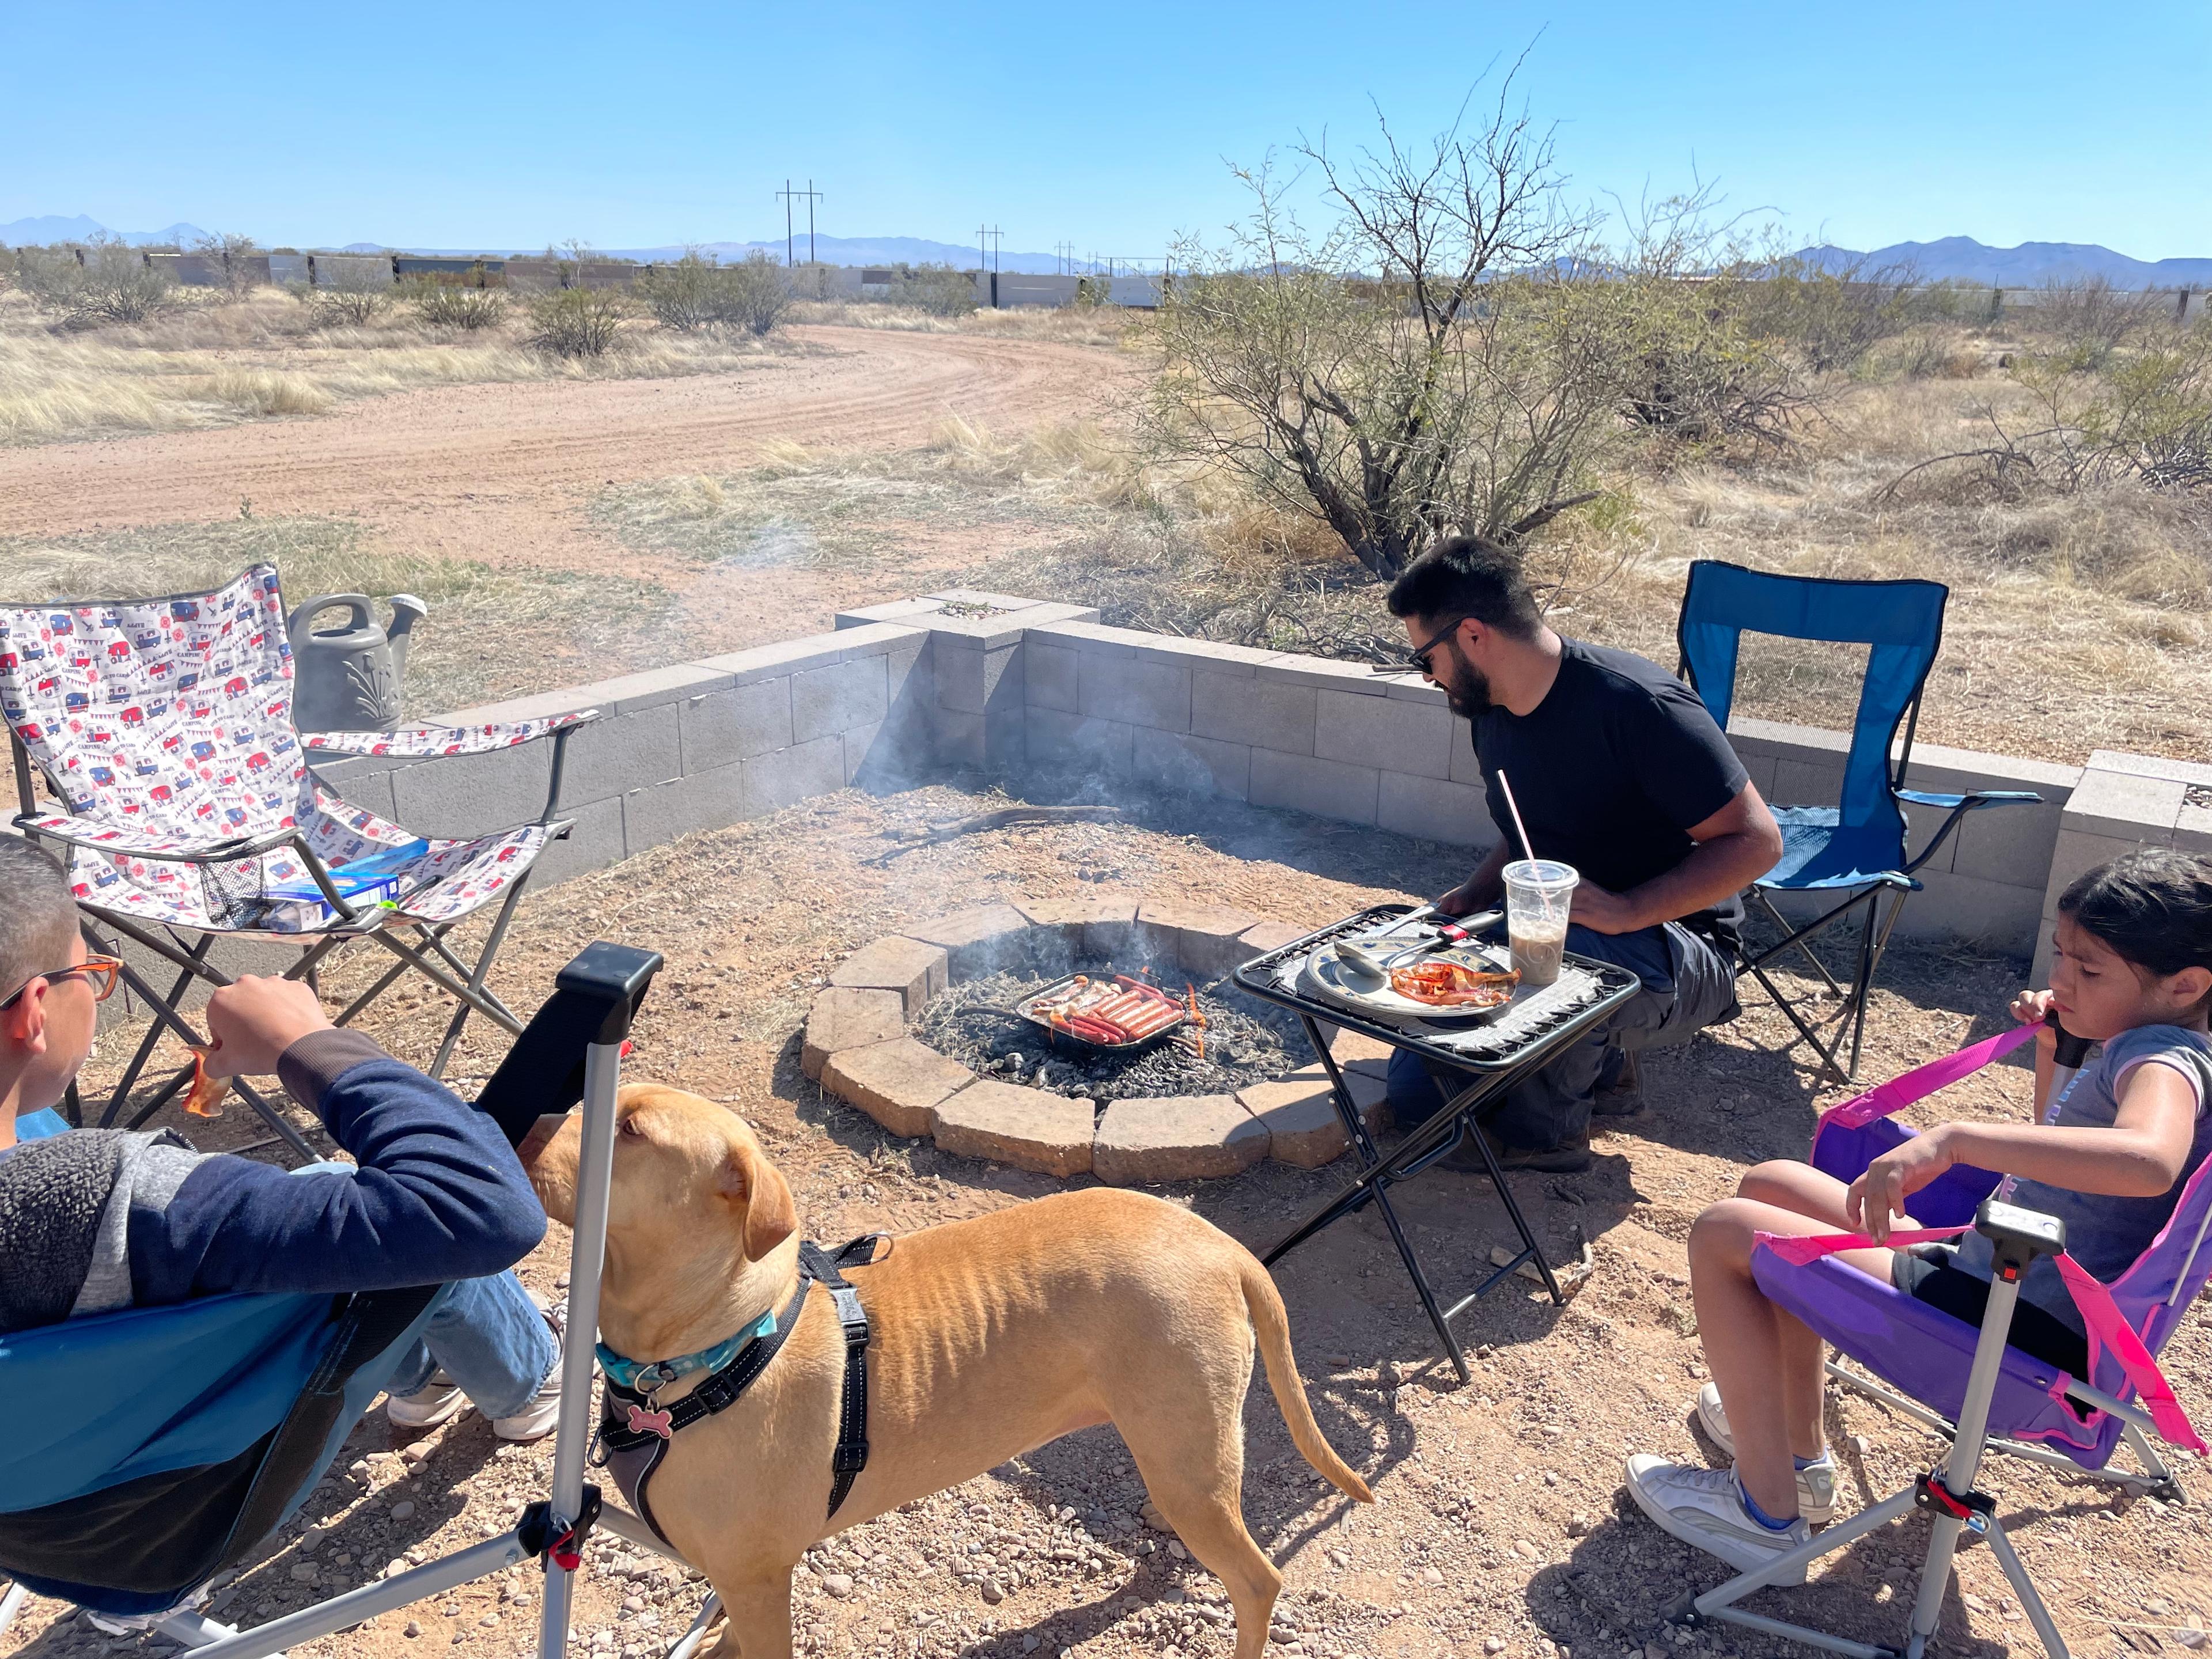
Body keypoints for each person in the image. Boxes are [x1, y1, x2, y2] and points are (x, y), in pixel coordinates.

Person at [1623, 850, 2212, 1578]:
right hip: (1999, 1280)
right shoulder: (2148, 1045)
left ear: (2184, 985)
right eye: (2061, 955)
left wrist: (1955, 1139)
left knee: (1725, 1233)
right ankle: (1799, 1454)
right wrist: (2060, 1054)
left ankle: (1763, 1513)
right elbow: (2065, 1169)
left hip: (2006, 1323)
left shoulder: (2165, 1058)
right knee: (1772, 1184)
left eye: (2090, 971)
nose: (2062, 978)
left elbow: (2148, 1158)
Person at [0, 834, 562, 1440]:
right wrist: (312, 1045)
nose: (95, 985)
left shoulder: (41, 1165)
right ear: (35, 1011)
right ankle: (528, 1383)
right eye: (92, 973)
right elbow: (485, 1208)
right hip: (186, 1477)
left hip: (51, 1493)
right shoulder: (121, 1201)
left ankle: (424, 1374)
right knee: (346, 1188)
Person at [1384, 536, 1785, 1172]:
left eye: (1424, 659)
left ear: (1473, 636)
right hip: (1572, 929)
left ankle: (1548, 1136)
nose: (1428, 677)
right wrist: (1479, 891)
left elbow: (1758, 842)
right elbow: (1533, 827)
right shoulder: (1493, 708)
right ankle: (1602, 1068)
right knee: (1413, 1091)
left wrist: (1629, 910)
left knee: (1553, 958)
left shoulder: (1638, 707)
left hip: (1684, 951)